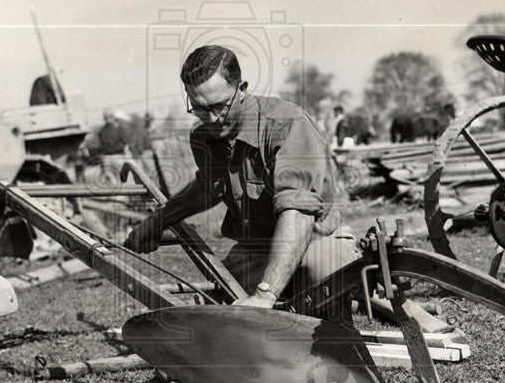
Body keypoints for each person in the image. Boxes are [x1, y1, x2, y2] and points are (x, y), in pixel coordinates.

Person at [125, 45, 360, 316]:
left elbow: (299, 213)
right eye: (200, 109)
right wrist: (159, 220)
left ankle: (335, 294)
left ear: (242, 88)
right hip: (256, 253)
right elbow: (208, 188)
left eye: (218, 107)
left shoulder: (286, 125)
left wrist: (265, 294)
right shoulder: (204, 136)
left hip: (316, 244)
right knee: (212, 312)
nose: (211, 119)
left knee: (323, 272)